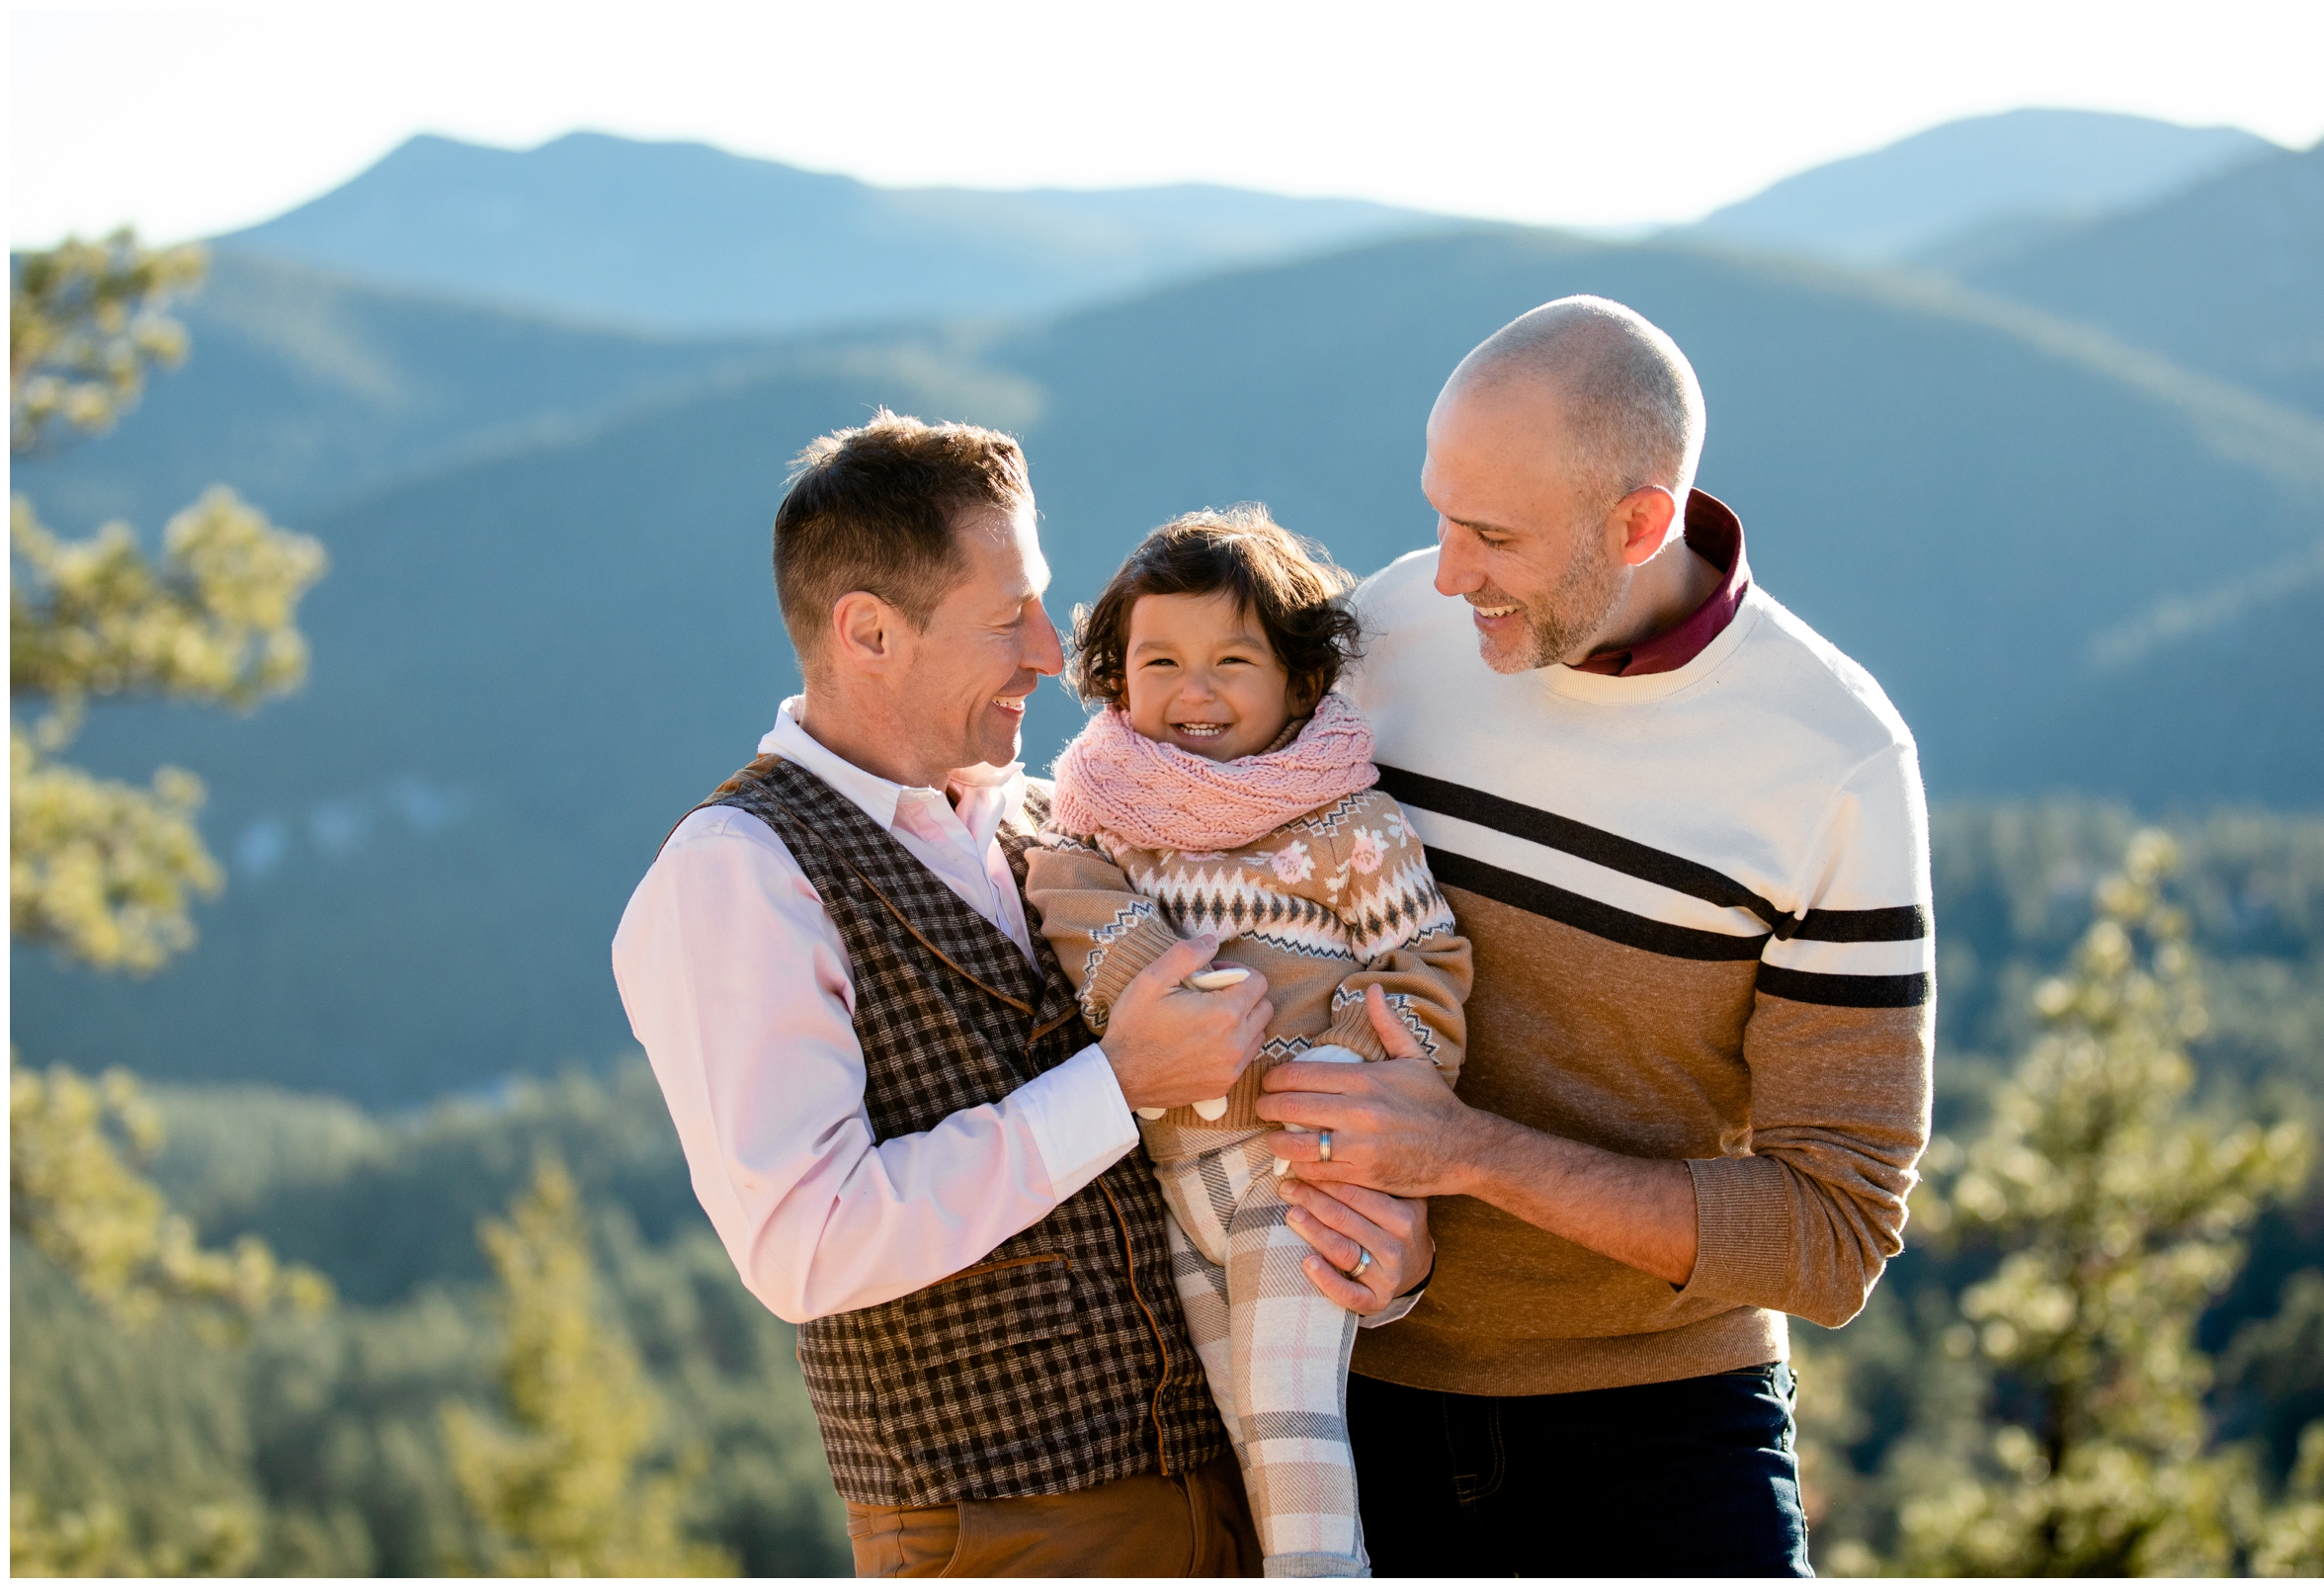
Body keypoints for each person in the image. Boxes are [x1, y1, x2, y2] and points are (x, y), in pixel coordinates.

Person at [612, 411, 1433, 1578]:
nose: (1055, 652)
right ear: (868, 632)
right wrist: (1123, 1081)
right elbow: (807, 1242)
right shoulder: (738, 871)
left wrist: (1383, 1259)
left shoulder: (1054, 819)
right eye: (1010, 617)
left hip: (1237, 1504)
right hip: (1006, 1538)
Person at [1258, 297, 1935, 1576]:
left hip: (1662, 1442)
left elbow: (1833, 1233)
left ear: (1638, 523)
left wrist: (1466, 1153)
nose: (1446, 571)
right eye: (1439, 515)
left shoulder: (1834, 759)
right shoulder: (1390, 632)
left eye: (1494, 535)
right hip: (1340, 1400)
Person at [1027, 507, 1472, 1577]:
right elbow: (1069, 894)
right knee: (1242, 1425)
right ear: (1116, 677)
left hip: (1297, 1159)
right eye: (1161, 661)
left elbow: (1429, 963)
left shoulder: (1345, 821)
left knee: (1291, 1414)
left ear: (1301, 683)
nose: (1195, 690)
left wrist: (1341, 1079)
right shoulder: (1104, 811)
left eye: (1234, 660)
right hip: (1176, 1181)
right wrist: (1162, 998)